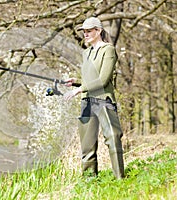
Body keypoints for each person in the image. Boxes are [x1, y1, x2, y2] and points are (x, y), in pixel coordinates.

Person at [64, 17, 125, 179]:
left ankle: (120, 179)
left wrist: (79, 90)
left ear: (98, 31)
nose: (86, 34)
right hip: (87, 102)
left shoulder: (108, 50)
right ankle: (89, 181)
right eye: (84, 31)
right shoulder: (86, 53)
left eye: (89, 31)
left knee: (113, 136)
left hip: (103, 100)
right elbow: (89, 79)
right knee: (87, 145)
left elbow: (103, 80)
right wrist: (76, 83)